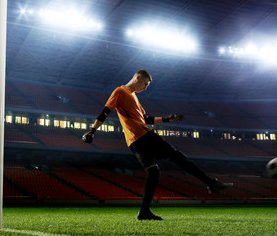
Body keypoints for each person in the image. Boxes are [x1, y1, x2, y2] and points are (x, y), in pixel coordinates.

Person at [82, 69, 233, 220]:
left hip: (134, 142)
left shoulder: (134, 97)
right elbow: (105, 111)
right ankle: (211, 183)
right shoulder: (120, 91)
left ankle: (144, 212)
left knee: (153, 171)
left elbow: (145, 118)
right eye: (145, 84)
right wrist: (92, 131)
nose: (146, 87)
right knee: (177, 156)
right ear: (138, 77)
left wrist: (167, 119)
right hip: (143, 136)